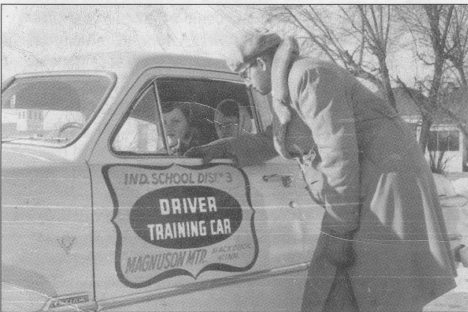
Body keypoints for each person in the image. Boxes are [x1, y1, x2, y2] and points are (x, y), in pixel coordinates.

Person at [185, 30, 457, 311]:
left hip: (385, 183)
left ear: (262, 64)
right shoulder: (284, 88)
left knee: (379, 287)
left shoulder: (309, 77)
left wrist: (340, 231)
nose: (247, 84)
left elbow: (339, 154)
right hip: (361, 185)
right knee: (333, 287)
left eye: (245, 74)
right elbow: (276, 139)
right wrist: (226, 147)